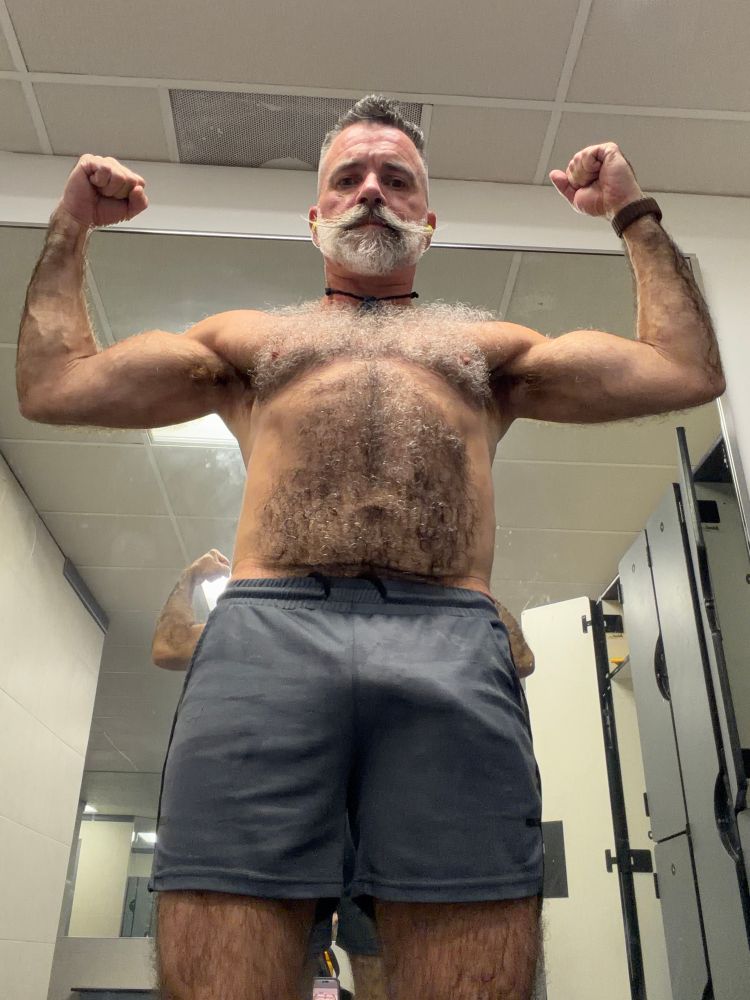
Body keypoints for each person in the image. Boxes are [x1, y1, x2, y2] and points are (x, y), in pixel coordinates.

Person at [17, 95, 723, 1000]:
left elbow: (684, 368)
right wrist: (71, 226)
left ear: (429, 220)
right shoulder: (250, 340)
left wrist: (633, 213)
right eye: (348, 177)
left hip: (449, 631)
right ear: (314, 216)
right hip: (268, 631)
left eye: (397, 179)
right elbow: (55, 383)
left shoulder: (488, 346)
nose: (372, 191)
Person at [151, 549, 536, 1000]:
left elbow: (520, 656)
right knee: (263, 963)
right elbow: (169, 646)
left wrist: (464, 583)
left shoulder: (422, 620)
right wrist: (190, 577)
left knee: (379, 970)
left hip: (382, 817)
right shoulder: (276, 623)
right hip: (294, 811)